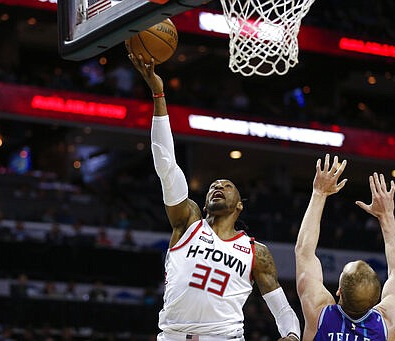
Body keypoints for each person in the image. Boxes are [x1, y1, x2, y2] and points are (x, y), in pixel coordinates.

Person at [128, 53, 300, 341]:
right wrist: (159, 94)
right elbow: (166, 163)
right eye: (213, 185)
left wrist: (292, 335)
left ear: (240, 204)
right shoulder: (187, 222)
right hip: (172, 336)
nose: (218, 186)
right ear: (205, 201)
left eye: (227, 185)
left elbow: (282, 309)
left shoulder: (256, 252)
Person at [295, 154, 395, 340]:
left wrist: (319, 193)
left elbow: (303, 252)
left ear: (338, 291)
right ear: (376, 301)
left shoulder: (319, 315)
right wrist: (387, 217)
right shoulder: (388, 325)